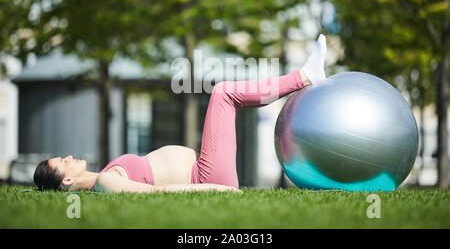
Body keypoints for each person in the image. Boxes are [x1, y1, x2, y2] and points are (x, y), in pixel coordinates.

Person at [33, 34, 327, 193]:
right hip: (207, 179)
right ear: (66, 181)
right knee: (224, 94)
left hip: (205, 171)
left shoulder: (105, 176)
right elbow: (158, 195)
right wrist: (215, 191)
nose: (69, 157)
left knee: (225, 94)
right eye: (64, 162)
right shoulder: (105, 182)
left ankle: (304, 77)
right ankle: (303, 77)